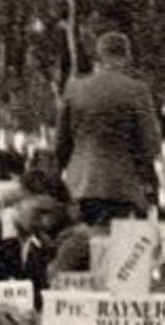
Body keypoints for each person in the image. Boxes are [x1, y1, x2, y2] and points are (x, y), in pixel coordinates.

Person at [57, 31, 162, 227]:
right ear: (127, 56)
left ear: (99, 54)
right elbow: (151, 145)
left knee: (82, 247)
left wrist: (62, 176)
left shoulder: (74, 88)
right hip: (122, 189)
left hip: (79, 185)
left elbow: (61, 144)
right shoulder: (136, 90)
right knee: (116, 251)